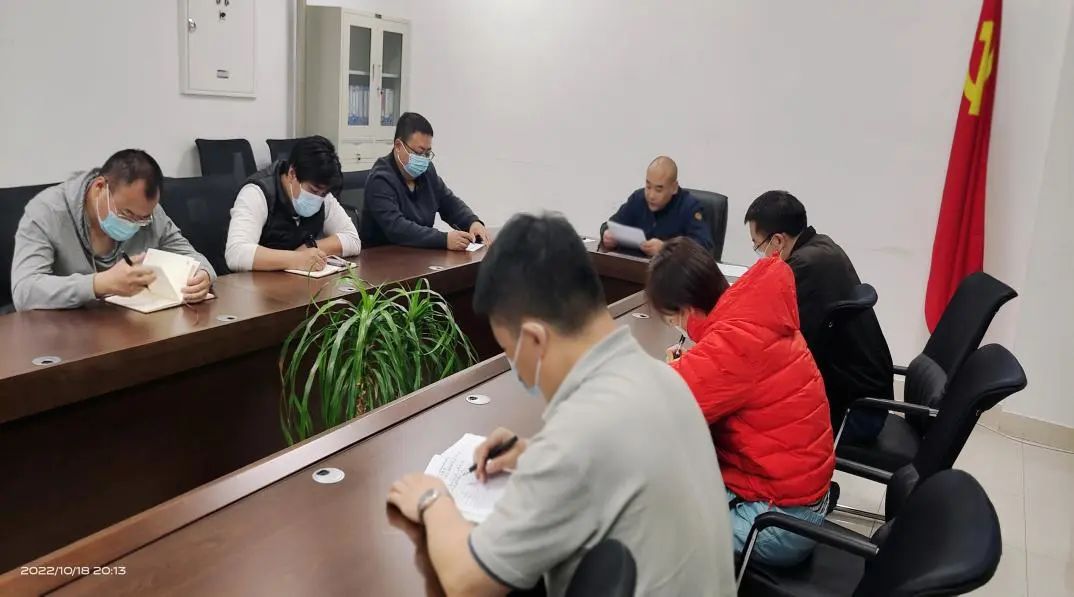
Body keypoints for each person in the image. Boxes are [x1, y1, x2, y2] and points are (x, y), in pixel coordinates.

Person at [387, 214, 736, 597]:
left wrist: (432, 499)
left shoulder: (579, 433)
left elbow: (466, 581)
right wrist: (531, 454)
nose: (515, 366)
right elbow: (612, 461)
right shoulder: (663, 377)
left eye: (509, 351)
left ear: (534, 340)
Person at [647, 237, 834, 566]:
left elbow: (662, 408)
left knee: (654, 521)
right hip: (793, 495)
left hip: (782, 524)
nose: (675, 326)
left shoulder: (735, 342)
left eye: (671, 319)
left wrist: (672, 371)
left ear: (685, 309)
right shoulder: (752, 310)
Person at [744, 190, 894, 442]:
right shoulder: (823, 247)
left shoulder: (802, 268)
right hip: (864, 401)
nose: (759, 253)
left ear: (778, 241)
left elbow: (776, 341)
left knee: (746, 422)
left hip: (855, 414)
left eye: (758, 245)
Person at [11, 149, 216, 311]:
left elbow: (193, 257)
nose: (135, 223)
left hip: (130, 330)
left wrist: (203, 275)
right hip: (63, 335)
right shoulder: (46, 212)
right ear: (100, 187)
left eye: (143, 218)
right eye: (127, 213)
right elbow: (24, 291)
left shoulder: (149, 213)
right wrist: (98, 284)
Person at [225, 135, 360, 272]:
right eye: (313, 190)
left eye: (323, 194)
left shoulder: (322, 191)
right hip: (256, 281)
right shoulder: (257, 192)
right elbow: (236, 253)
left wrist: (310, 247)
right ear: (292, 174)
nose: (318, 198)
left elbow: (353, 239)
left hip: (297, 280)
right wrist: (296, 259)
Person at [361, 112, 489, 250]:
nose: (423, 159)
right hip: (383, 257)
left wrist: (472, 222)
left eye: (427, 153)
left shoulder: (427, 171)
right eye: (419, 152)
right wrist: (444, 239)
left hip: (420, 253)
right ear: (398, 146)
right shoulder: (380, 179)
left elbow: (448, 202)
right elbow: (396, 228)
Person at [600, 156, 713, 256]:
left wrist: (666, 248)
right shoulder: (638, 199)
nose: (651, 195)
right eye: (648, 186)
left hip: (671, 272)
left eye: (658, 190)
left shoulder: (689, 207)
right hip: (635, 267)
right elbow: (611, 224)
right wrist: (606, 234)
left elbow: (704, 247)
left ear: (674, 188)